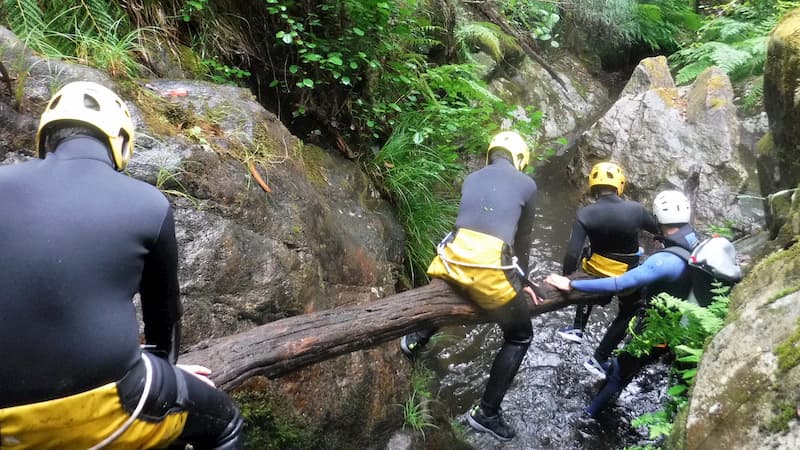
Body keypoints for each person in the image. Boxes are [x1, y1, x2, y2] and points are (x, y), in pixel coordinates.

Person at [0, 81, 243, 449]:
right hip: (102, 400)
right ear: (121, 143)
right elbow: (164, 321)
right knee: (225, 424)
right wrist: (166, 370)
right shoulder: (148, 203)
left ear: (45, 139)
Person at [399, 131, 542, 441]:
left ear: (491, 153)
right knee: (520, 336)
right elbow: (523, 240)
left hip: (450, 261)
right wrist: (523, 281)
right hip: (489, 269)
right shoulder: (527, 184)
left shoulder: (472, 176)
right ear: (520, 159)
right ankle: (487, 413)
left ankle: (417, 336)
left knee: (458, 285)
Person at [546, 189, 699, 418]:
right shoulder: (694, 241)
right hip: (680, 324)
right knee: (628, 365)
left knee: (620, 373)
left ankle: (586, 418)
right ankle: (609, 371)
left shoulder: (663, 261)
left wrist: (574, 285)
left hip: (656, 328)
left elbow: (620, 283)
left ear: (657, 217)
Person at [555, 162, 659, 377]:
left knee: (586, 263)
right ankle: (599, 358)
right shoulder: (636, 209)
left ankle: (578, 327)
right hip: (625, 275)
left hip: (595, 272)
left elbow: (572, 254)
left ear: (594, 186)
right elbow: (657, 230)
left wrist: (566, 278)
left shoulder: (586, 214)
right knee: (630, 310)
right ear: (619, 185)